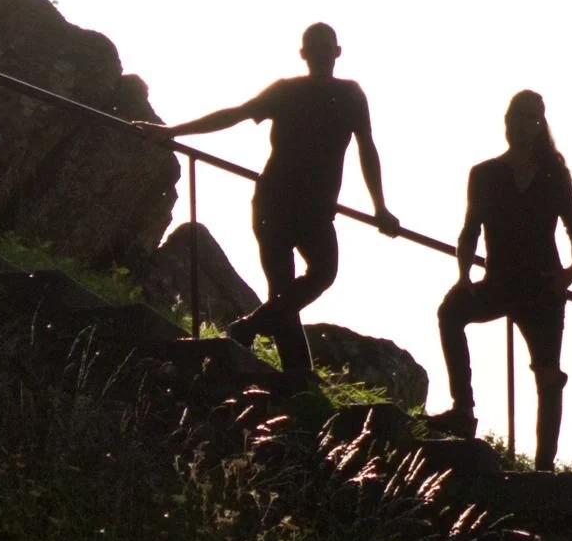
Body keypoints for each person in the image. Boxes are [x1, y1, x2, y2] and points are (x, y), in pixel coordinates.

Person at [156, 22, 399, 394]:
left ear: (336, 52)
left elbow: (368, 148)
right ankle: (296, 377)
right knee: (292, 288)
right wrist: (173, 132)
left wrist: (380, 206)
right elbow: (235, 114)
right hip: (277, 201)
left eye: (324, 48)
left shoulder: (349, 95)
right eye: (314, 48)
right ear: (306, 54)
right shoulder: (290, 91)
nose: (320, 55)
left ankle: (256, 337)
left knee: (313, 278)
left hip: (306, 207)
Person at [425, 90, 572, 470]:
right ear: (507, 121)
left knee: (548, 373)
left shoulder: (554, 175)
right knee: (451, 312)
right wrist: (464, 275)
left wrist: (571, 272)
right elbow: (469, 232)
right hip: (499, 281)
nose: (525, 123)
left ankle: (544, 467)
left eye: (533, 117)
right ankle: (463, 409)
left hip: (543, 287)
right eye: (519, 116)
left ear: (540, 123)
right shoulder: (485, 173)